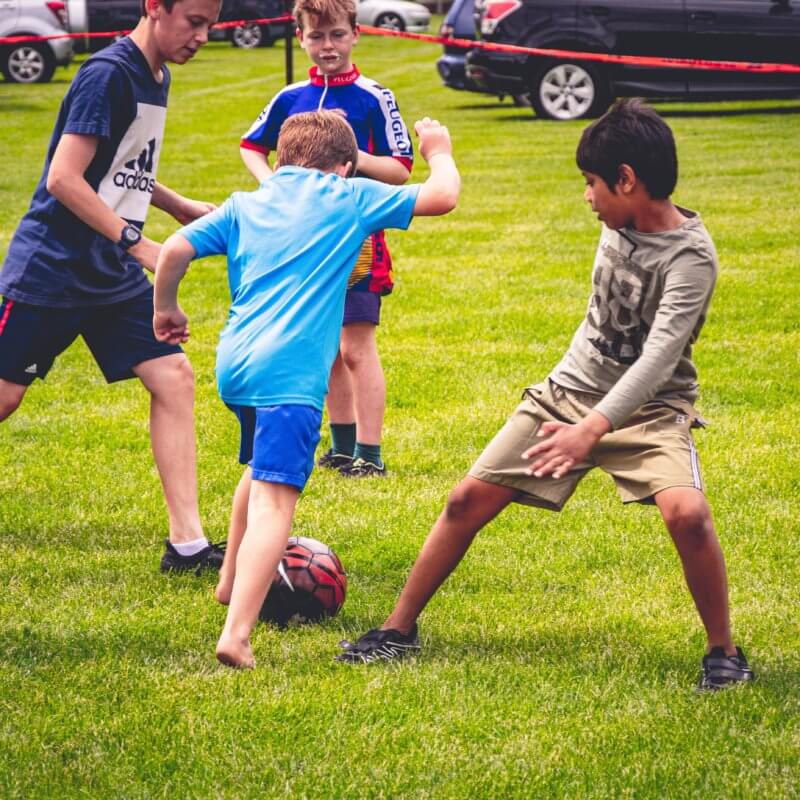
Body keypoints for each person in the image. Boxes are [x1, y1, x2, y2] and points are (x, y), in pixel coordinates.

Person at [336, 99, 754, 693]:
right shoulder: (617, 221)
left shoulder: (692, 257)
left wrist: (597, 426)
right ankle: (397, 630)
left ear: (628, 180)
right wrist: (578, 414)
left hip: (650, 409)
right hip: (567, 393)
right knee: (464, 502)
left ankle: (725, 652)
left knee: (687, 514)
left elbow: (660, 358)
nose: (587, 197)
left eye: (592, 184)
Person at [152, 110, 460, 668]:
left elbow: (174, 249)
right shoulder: (349, 196)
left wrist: (166, 308)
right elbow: (442, 197)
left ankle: (228, 581)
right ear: (344, 166)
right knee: (277, 500)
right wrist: (437, 148)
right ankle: (237, 633)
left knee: (257, 468)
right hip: (289, 376)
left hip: (236, 367)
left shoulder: (248, 202)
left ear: (279, 159)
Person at [0, 0, 226, 574]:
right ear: (155, 7)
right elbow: (65, 178)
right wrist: (140, 245)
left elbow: (123, 165)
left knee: (173, 375)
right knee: (5, 398)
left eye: (210, 23)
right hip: (52, 269)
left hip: (111, 275)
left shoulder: (156, 75)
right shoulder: (107, 73)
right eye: (194, 21)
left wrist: (176, 206)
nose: (203, 35)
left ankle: (188, 546)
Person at [239, 0, 414, 478]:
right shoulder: (289, 96)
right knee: (327, 347)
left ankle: (370, 453)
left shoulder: (374, 96)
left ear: (356, 33)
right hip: (301, 245)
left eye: (337, 34)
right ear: (300, 38)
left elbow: (401, 168)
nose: (327, 46)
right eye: (317, 37)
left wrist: (353, 158)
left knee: (357, 346)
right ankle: (341, 445)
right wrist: (271, 182)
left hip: (356, 243)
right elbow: (252, 145)